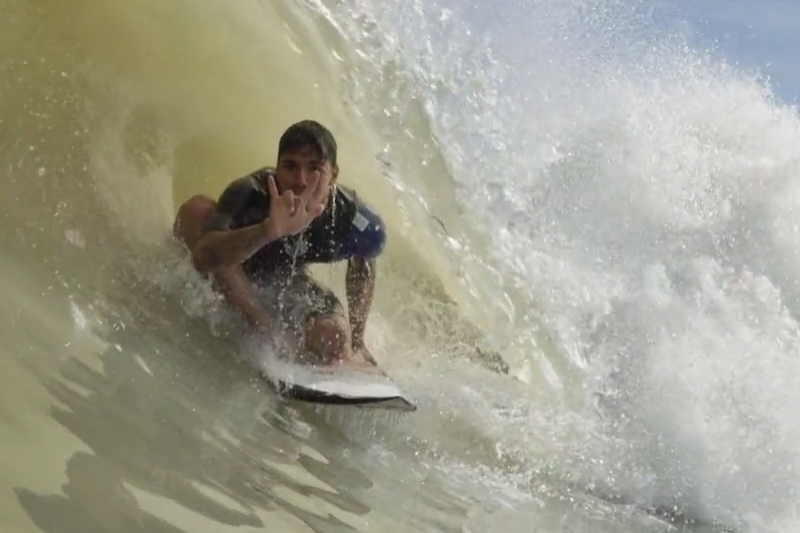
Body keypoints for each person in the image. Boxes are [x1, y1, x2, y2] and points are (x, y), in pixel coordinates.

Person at [172, 120, 386, 366]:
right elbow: (203, 257)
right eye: (290, 166)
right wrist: (269, 230)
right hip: (236, 271)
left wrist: (358, 339)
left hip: (284, 279)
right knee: (197, 211)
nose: (300, 180)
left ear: (333, 175)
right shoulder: (251, 193)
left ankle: (336, 349)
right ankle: (266, 332)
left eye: (314, 168)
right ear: (276, 169)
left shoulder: (349, 215)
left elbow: (363, 263)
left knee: (335, 339)